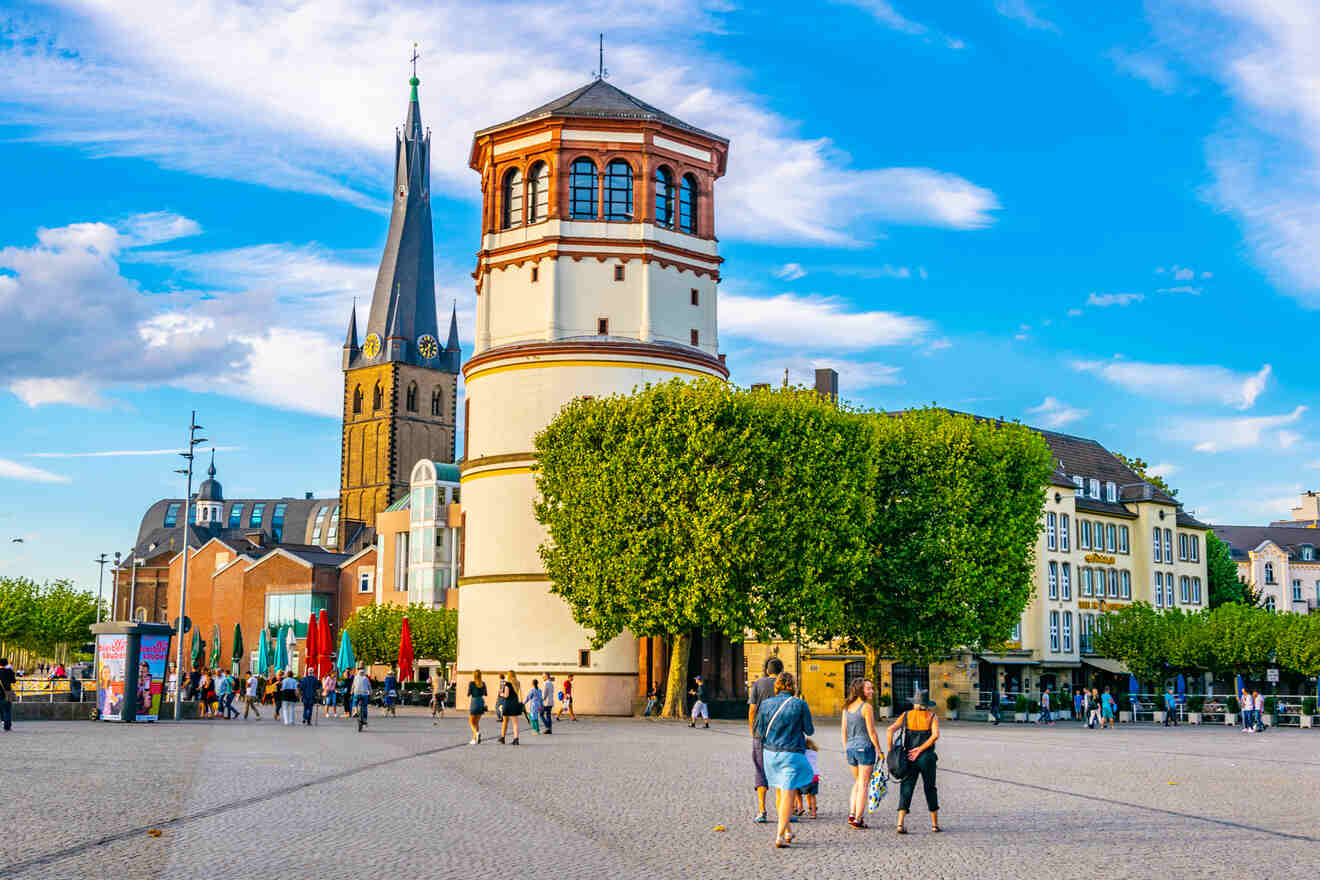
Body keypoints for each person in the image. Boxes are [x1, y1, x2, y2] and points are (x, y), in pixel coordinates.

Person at [754, 672, 815, 850]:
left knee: (780, 792)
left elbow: (759, 729)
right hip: (791, 753)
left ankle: (787, 831)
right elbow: (809, 730)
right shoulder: (800, 704)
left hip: (770, 754)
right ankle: (780, 835)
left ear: (777, 686)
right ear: (793, 686)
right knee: (788, 794)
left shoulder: (765, 704)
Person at [887, 691, 941, 835]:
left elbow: (890, 729)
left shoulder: (906, 715)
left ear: (915, 703)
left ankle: (900, 823)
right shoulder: (932, 717)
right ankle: (935, 824)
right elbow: (935, 735)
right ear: (927, 704)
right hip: (927, 757)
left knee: (906, 787)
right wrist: (921, 749)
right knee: (930, 788)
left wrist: (891, 749)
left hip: (909, 757)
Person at [842, 678, 882, 829]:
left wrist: (846, 748)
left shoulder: (847, 707)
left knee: (858, 782)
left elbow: (843, 731)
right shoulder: (866, 707)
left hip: (851, 749)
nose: (872, 691)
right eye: (868, 689)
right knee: (864, 784)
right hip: (865, 748)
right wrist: (879, 749)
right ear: (860, 690)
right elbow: (871, 732)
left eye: (871, 688)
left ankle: (852, 814)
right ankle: (858, 819)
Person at [749, 657, 784, 823]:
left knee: (760, 770)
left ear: (767, 670)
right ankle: (783, 811)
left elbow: (752, 710)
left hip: (760, 733)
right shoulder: (784, 683)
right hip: (780, 734)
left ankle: (762, 811)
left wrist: (753, 730)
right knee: (780, 771)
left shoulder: (758, 684)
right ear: (781, 671)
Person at [799, 738, 821, 820]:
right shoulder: (814, 752)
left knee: (797, 792)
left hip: (805, 776)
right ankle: (813, 813)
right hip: (815, 777)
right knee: (812, 796)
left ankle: (800, 807)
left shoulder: (802, 752)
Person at [498, 670, 521, 745]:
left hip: (508, 704)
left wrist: (501, 694)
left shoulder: (507, 684)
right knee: (515, 723)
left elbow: (506, 695)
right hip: (515, 703)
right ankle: (516, 739)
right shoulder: (517, 683)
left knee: (505, 721)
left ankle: (502, 738)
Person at [467, 669, 488, 745]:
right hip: (481, 702)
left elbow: (468, 694)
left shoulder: (472, 683)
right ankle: (474, 739)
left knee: (471, 722)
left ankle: (476, 733)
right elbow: (485, 694)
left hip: (474, 702)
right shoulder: (483, 683)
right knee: (477, 722)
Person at [352, 665, 372, 731]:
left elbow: (353, 685)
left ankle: (355, 711)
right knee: (364, 706)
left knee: (354, 702)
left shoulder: (355, 677)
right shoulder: (366, 678)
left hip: (357, 693)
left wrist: (351, 691)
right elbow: (369, 686)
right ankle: (365, 720)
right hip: (364, 694)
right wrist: (370, 692)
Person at [0, 658, 16, 731]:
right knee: (7, 710)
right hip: (7, 692)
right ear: (6, 664)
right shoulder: (9, 671)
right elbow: (13, 681)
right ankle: (7, 726)